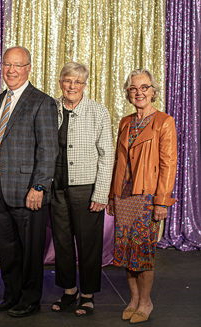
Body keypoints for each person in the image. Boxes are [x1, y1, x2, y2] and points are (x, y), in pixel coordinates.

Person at [0, 46, 58, 318]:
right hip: (0, 188)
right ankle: (11, 295)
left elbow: (49, 150)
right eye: (7, 65)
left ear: (28, 68)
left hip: (28, 190)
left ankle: (29, 299)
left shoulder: (42, 102)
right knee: (8, 249)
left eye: (17, 65)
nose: (11, 70)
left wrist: (39, 187)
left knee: (30, 250)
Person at [106, 68, 177, 324]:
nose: (139, 92)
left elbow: (169, 165)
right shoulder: (125, 122)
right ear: (128, 93)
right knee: (126, 252)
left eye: (144, 87)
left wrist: (162, 201)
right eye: (134, 88)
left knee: (143, 252)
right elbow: (118, 161)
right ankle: (133, 299)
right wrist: (113, 196)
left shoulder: (164, 121)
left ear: (153, 91)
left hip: (147, 198)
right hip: (124, 196)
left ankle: (146, 302)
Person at [49, 62, 114, 315]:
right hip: (57, 188)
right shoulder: (49, 108)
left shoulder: (98, 112)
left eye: (78, 82)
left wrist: (101, 194)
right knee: (62, 242)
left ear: (85, 85)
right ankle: (68, 291)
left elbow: (107, 156)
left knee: (88, 243)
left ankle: (87, 294)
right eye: (68, 80)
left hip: (86, 189)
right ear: (61, 82)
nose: (72, 86)